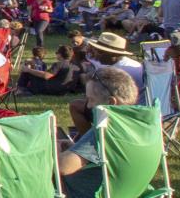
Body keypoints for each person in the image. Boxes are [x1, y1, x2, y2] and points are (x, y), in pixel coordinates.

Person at [56, 67, 141, 197]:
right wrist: (75, 148)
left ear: (111, 102)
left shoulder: (105, 130)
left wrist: (55, 150)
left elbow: (63, 167)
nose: (88, 106)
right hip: (129, 192)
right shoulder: (141, 125)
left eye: (91, 100)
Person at [18, 46, 84, 96]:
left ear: (60, 54)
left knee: (27, 72)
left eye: (57, 53)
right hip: (67, 90)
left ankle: (20, 89)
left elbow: (46, 76)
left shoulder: (59, 64)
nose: (56, 54)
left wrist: (29, 70)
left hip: (54, 89)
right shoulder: (77, 65)